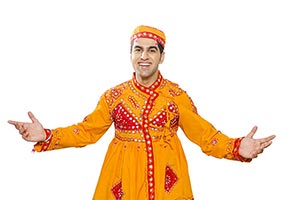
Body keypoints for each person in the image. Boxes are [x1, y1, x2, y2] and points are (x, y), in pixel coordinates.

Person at [8, 25, 276, 200]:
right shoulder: (114, 96)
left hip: (167, 179)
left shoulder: (176, 96)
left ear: (162, 56)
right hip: (122, 177)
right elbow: (86, 132)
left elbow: (204, 135)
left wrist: (235, 147)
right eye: (138, 50)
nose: (144, 56)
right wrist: (46, 135)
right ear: (130, 54)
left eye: (151, 50)